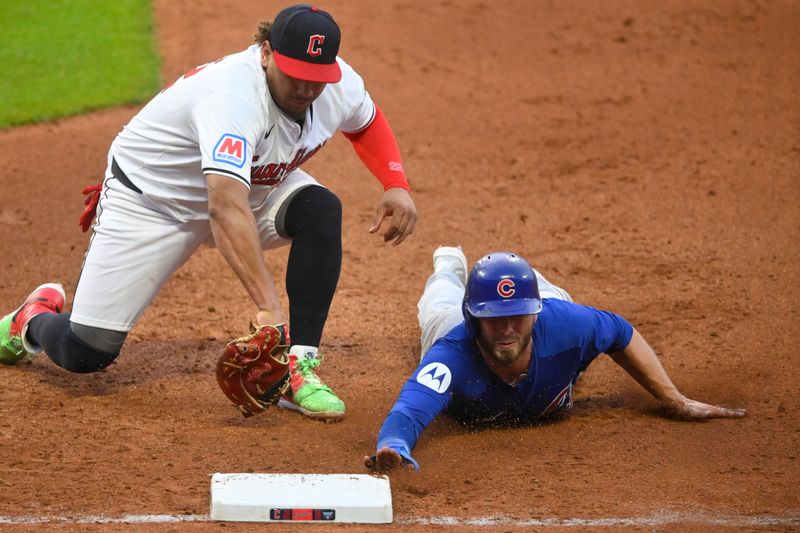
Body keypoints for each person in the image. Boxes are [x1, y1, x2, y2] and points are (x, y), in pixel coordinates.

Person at [0, 4, 417, 422]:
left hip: (252, 186)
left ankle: (299, 369)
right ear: (267, 52)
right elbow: (223, 207)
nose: (307, 88)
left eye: (317, 79)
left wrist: (395, 182)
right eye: (295, 75)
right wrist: (270, 309)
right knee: (85, 351)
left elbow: (365, 122)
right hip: (152, 202)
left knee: (320, 209)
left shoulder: (337, 82)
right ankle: (32, 318)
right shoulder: (232, 99)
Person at [365, 247, 746, 471]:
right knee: (438, 301)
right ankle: (449, 267)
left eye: (518, 315)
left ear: (535, 312)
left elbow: (621, 333)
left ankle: (529, 279)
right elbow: (408, 411)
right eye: (493, 318)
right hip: (448, 320)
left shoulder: (566, 324)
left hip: (550, 311)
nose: (506, 328)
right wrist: (395, 446)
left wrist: (673, 400)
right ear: (476, 318)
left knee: (551, 295)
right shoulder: (451, 356)